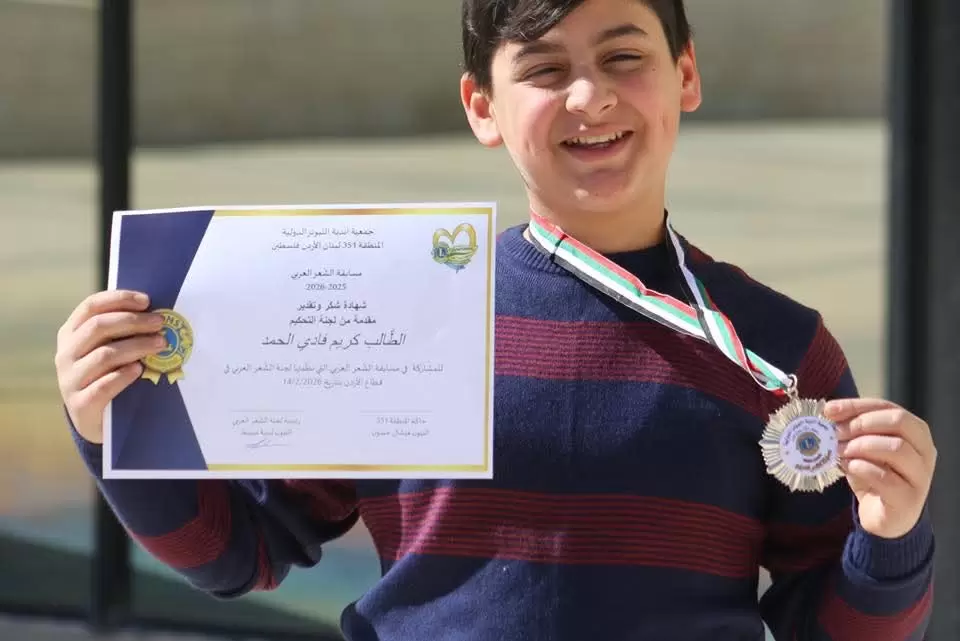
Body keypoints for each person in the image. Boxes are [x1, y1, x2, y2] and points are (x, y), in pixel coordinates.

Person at [56, 0, 936, 639]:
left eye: (623, 56)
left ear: (687, 74)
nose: (590, 97)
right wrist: (109, 421)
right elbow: (238, 551)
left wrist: (889, 537)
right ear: (482, 106)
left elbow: (834, 624)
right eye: (545, 70)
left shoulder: (778, 346)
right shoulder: (390, 308)